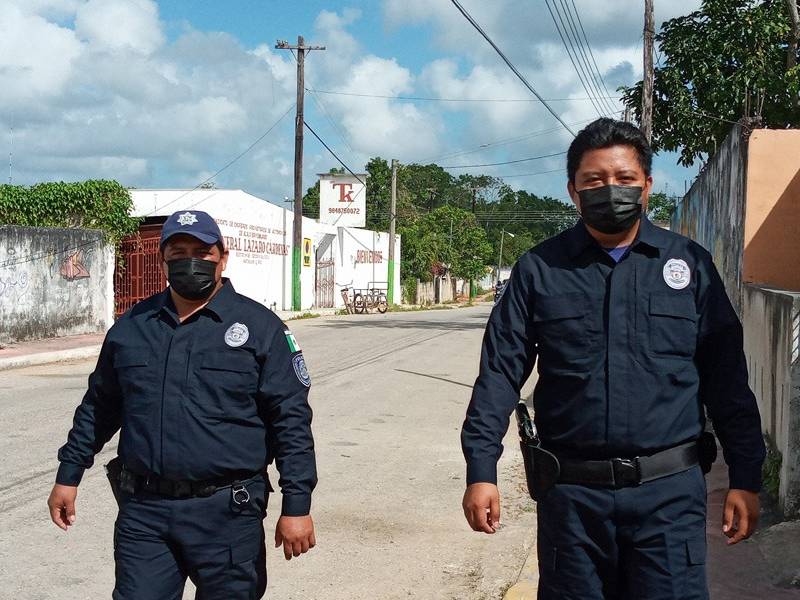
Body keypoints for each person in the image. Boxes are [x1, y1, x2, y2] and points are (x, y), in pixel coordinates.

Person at [460, 118, 765, 599]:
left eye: (624, 180)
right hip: (572, 501)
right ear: (572, 191)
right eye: (594, 181)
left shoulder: (690, 266)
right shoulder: (540, 271)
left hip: (669, 498)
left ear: (647, 184)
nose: (610, 191)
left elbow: (727, 381)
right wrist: (482, 469)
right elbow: (499, 375)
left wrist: (746, 476)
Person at [48, 210, 317, 599]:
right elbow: (99, 406)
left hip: (228, 513)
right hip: (145, 512)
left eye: (201, 251)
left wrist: (297, 504)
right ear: (163, 259)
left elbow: (290, 421)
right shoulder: (133, 327)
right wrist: (68, 473)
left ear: (222, 258)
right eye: (178, 251)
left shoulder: (261, 329)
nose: (190, 261)